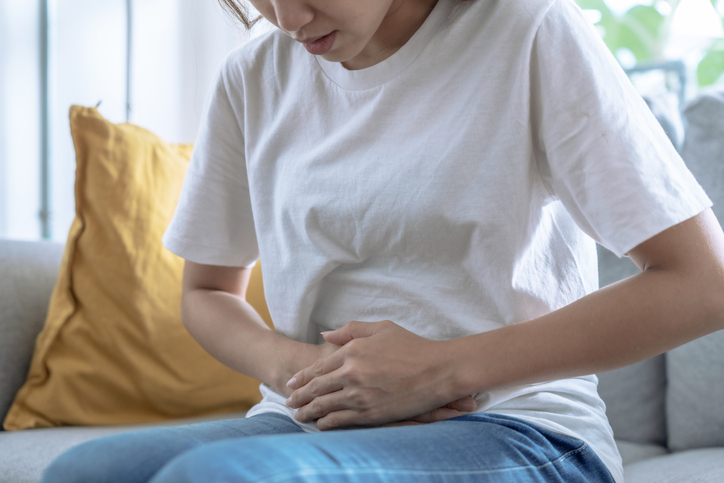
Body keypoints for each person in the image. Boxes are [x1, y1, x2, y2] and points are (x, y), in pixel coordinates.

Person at [42, 0, 724, 482]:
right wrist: (299, 370)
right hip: (312, 422)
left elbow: (702, 283)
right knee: (85, 472)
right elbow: (206, 291)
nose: (286, 16)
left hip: (519, 429)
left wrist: (441, 371)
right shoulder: (252, 78)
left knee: (223, 477)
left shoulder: (529, 30)